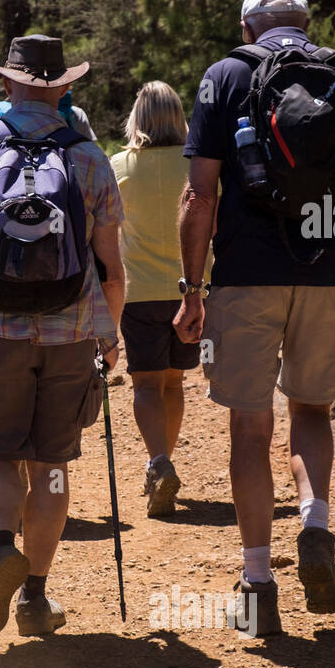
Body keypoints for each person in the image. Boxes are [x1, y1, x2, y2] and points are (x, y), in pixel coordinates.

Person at [173, 0, 335, 637]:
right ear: (305, 23)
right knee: (310, 410)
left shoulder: (225, 75)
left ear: (248, 26)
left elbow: (198, 194)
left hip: (245, 276)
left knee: (249, 428)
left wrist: (192, 289)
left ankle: (257, 580)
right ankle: (315, 523)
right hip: (330, 272)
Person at [0, 34, 126, 638]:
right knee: (53, 466)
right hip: (67, 334)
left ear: (6, 83)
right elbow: (111, 267)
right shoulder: (88, 157)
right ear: (63, 88)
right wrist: (107, 336)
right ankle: (35, 595)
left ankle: (3, 547)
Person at [110, 81, 210, 517]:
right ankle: (162, 464)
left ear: (138, 118)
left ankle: (158, 462)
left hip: (138, 292)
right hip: (192, 291)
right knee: (174, 382)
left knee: (146, 384)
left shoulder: (120, 167)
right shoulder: (200, 167)